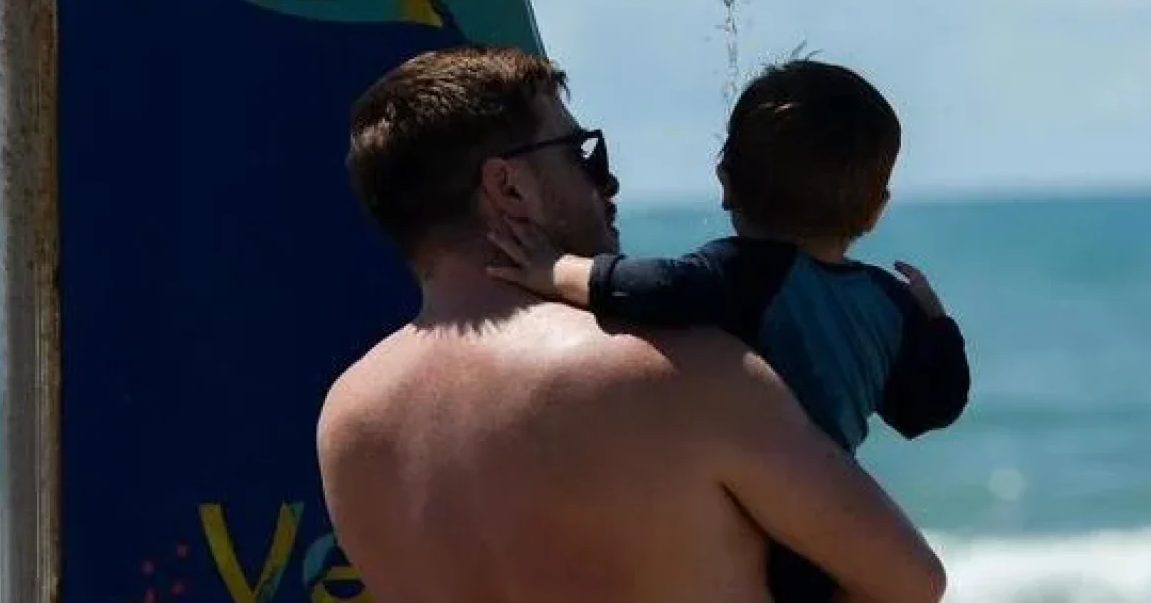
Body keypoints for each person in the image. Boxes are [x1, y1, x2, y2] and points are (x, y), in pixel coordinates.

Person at [315, 45, 947, 603]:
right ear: (508, 189)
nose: (607, 181)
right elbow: (911, 582)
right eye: (582, 155)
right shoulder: (674, 371)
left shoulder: (348, 419)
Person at [485, 58, 971, 603]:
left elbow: (653, 289)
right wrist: (938, 327)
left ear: (725, 182)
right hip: (829, 508)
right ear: (876, 210)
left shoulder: (743, 275)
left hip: (758, 515)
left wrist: (555, 269)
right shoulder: (887, 301)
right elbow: (929, 407)